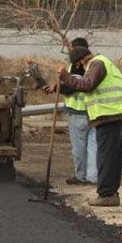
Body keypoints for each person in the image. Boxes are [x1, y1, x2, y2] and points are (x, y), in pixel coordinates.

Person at [58, 47, 122, 206]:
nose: (82, 69)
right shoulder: (104, 63)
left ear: (81, 61)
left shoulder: (97, 64)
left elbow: (87, 85)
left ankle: (106, 194)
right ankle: (111, 193)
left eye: (80, 66)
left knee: (105, 156)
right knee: (113, 158)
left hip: (109, 115)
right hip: (116, 115)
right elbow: (85, 87)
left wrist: (65, 76)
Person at [43, 38, 97, 186]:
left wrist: (58, 87)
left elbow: (73, 86)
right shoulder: (95, 65)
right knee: (93, 146)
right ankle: (93, 177)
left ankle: (81, 176)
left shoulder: (76, 66)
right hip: (94, 112)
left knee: (79, 147)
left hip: (78, 112)